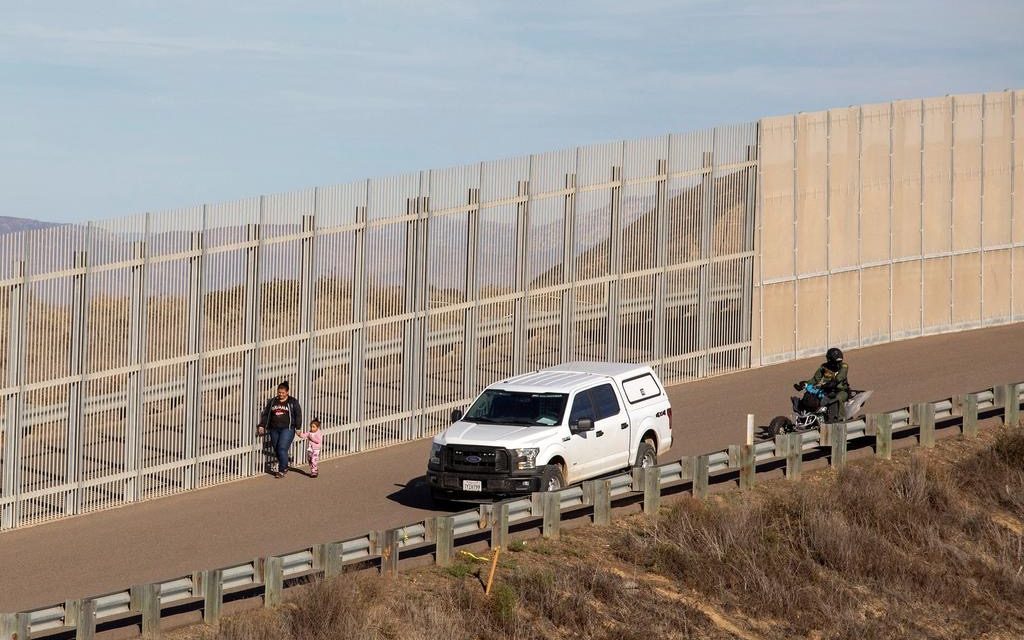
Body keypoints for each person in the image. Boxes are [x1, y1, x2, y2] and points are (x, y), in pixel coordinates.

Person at [257, 380, 303, 478]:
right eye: (279, 392)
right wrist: (262, 425)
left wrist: (298, 428)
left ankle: (282, 470)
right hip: (274, 429)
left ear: (287, 392)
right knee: (277, 449)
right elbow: (266, 414)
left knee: (282, 448)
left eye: (283, 393)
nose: (280, 394)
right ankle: (284, 464)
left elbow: (298, 415)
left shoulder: (292, 402)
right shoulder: (273, 401)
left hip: (288, 429)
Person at [794, 347, 850, 423]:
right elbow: (815, 379)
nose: (838, 363)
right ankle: (809, 418)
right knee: (812, 397)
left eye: (839, 361)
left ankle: (841, 419)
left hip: (841, 391)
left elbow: (841, 376)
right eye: (836, 361)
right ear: (830, 360)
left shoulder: (844, 366)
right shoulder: (824, 367)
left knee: (837, 398)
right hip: (827, 389)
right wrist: (805, 384)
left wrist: (833, 382)